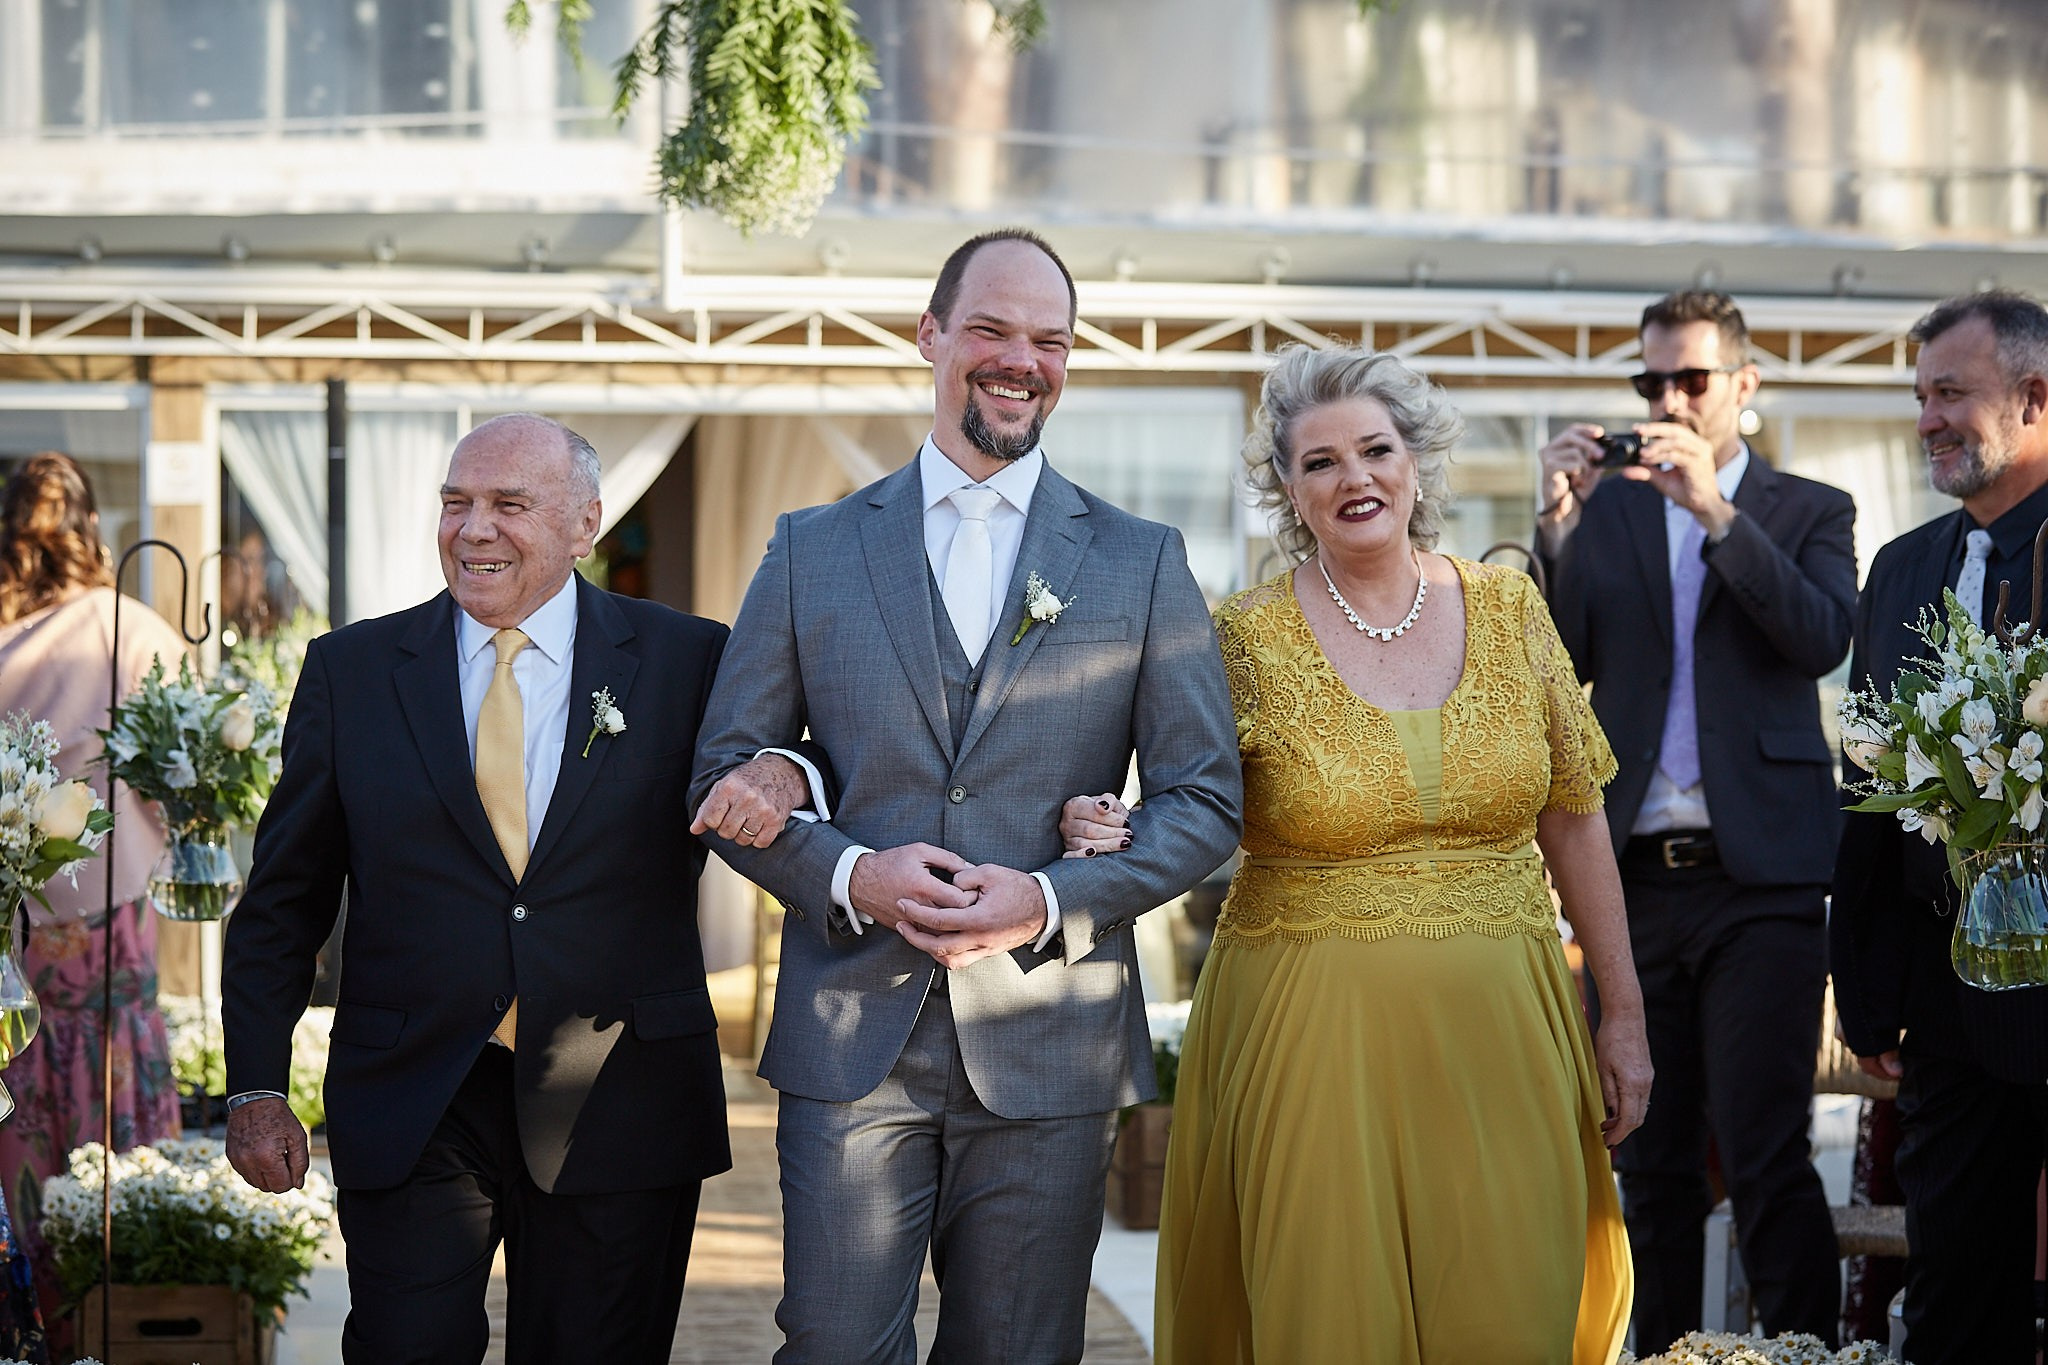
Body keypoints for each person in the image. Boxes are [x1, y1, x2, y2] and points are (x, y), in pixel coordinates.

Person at [689, 228, 1243, 1364]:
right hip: (852, 1033)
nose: (1018, 360)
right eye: (989, 330)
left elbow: (1203, 801)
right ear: (930, 336)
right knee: (834, 1347)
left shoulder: (1140, 561)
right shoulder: (811, 549)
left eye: (1049, 340)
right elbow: (722, 773)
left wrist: (1043, 898)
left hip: (1048, 1035)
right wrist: (852, 873)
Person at [1065, 344, 1648, 1363]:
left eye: (1374, 449)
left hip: (1506, 1033)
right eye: (1319, 462)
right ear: (1286, 489)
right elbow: (1181, 807)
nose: (1353, 478)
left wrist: (1624, 1016)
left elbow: (1574, 814)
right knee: (1326, 1323)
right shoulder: (1238, 638)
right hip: (1308, 1046)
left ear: (1415, 460)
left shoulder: (1512, 610)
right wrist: (1100, 828)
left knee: (1513, 1306)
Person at [222, 415, 733, 1365]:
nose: (473, 528)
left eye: (508, 504)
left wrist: (786, 772)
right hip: (414, 1094)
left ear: (585, 524)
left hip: (618, 1092)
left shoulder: (691, 660)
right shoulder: (354, 671)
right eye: (456, 502)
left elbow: (791, 770)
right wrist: (254, 1083)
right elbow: (283, 899)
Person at [1536, 289, 1854, 1348]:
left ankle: (1804, 1349)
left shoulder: (1809, 507)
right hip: (1630, 880)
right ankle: (1668, 1351)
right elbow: (1555, 658)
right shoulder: (1611, 510)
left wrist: (1715, 512)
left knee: (1763, 1148)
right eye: (1649, 382)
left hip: (1759, 877)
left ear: (1742, 387)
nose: (1667, 399)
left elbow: (1817, 639)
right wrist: (1557, 517)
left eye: (1690, 379)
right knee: (1649, 1154)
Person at [1832, 289, 2048, 1365]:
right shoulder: (1900, 567)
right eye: (1919, 396)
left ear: (2033, 397)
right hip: (1947, 994)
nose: (1926, 419)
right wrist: (1865, 983)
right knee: (1956, 1292)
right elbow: (1863, 777)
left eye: (1950, 394)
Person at [0, 451, 185, 1342]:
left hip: (14, 913)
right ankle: (115, 1308)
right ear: (89, 528)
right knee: (113, 1094)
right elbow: (172, 765)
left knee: (20, 1088)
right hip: (108, 907)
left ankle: (30, 1309)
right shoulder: (127, 624)